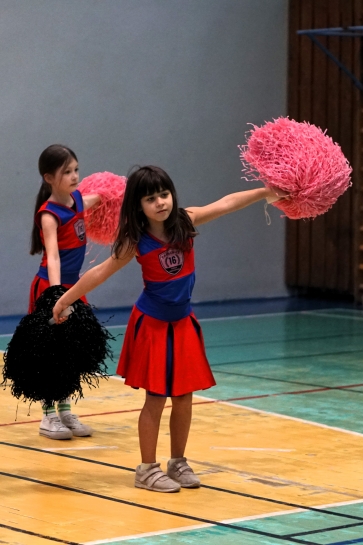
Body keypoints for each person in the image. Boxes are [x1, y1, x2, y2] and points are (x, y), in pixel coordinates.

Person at [52, 165, 285, 490]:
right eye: (151, 198)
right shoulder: (136, 240)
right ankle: (147, 469)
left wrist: (264, 192)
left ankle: (178, 462)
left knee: (185, 397)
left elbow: (226, 203)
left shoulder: (185, 221)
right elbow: (100, 272)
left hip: (183, 323)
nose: (160, 202)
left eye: (164, 194)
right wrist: (66, 299)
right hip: (153, 326)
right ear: (138, 205)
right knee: (156, 398)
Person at [30, 144, 100, 440]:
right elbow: (54, 257)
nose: (74, 176)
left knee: (71, 349)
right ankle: (48, 416)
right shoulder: (49, 215)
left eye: (76, 170)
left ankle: (65, 409)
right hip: (52, 286)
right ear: (49, 177)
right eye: (66, 172)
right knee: (51, 350)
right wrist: (58, 297)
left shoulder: (79, 200)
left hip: (75, 286)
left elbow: (103, 197)